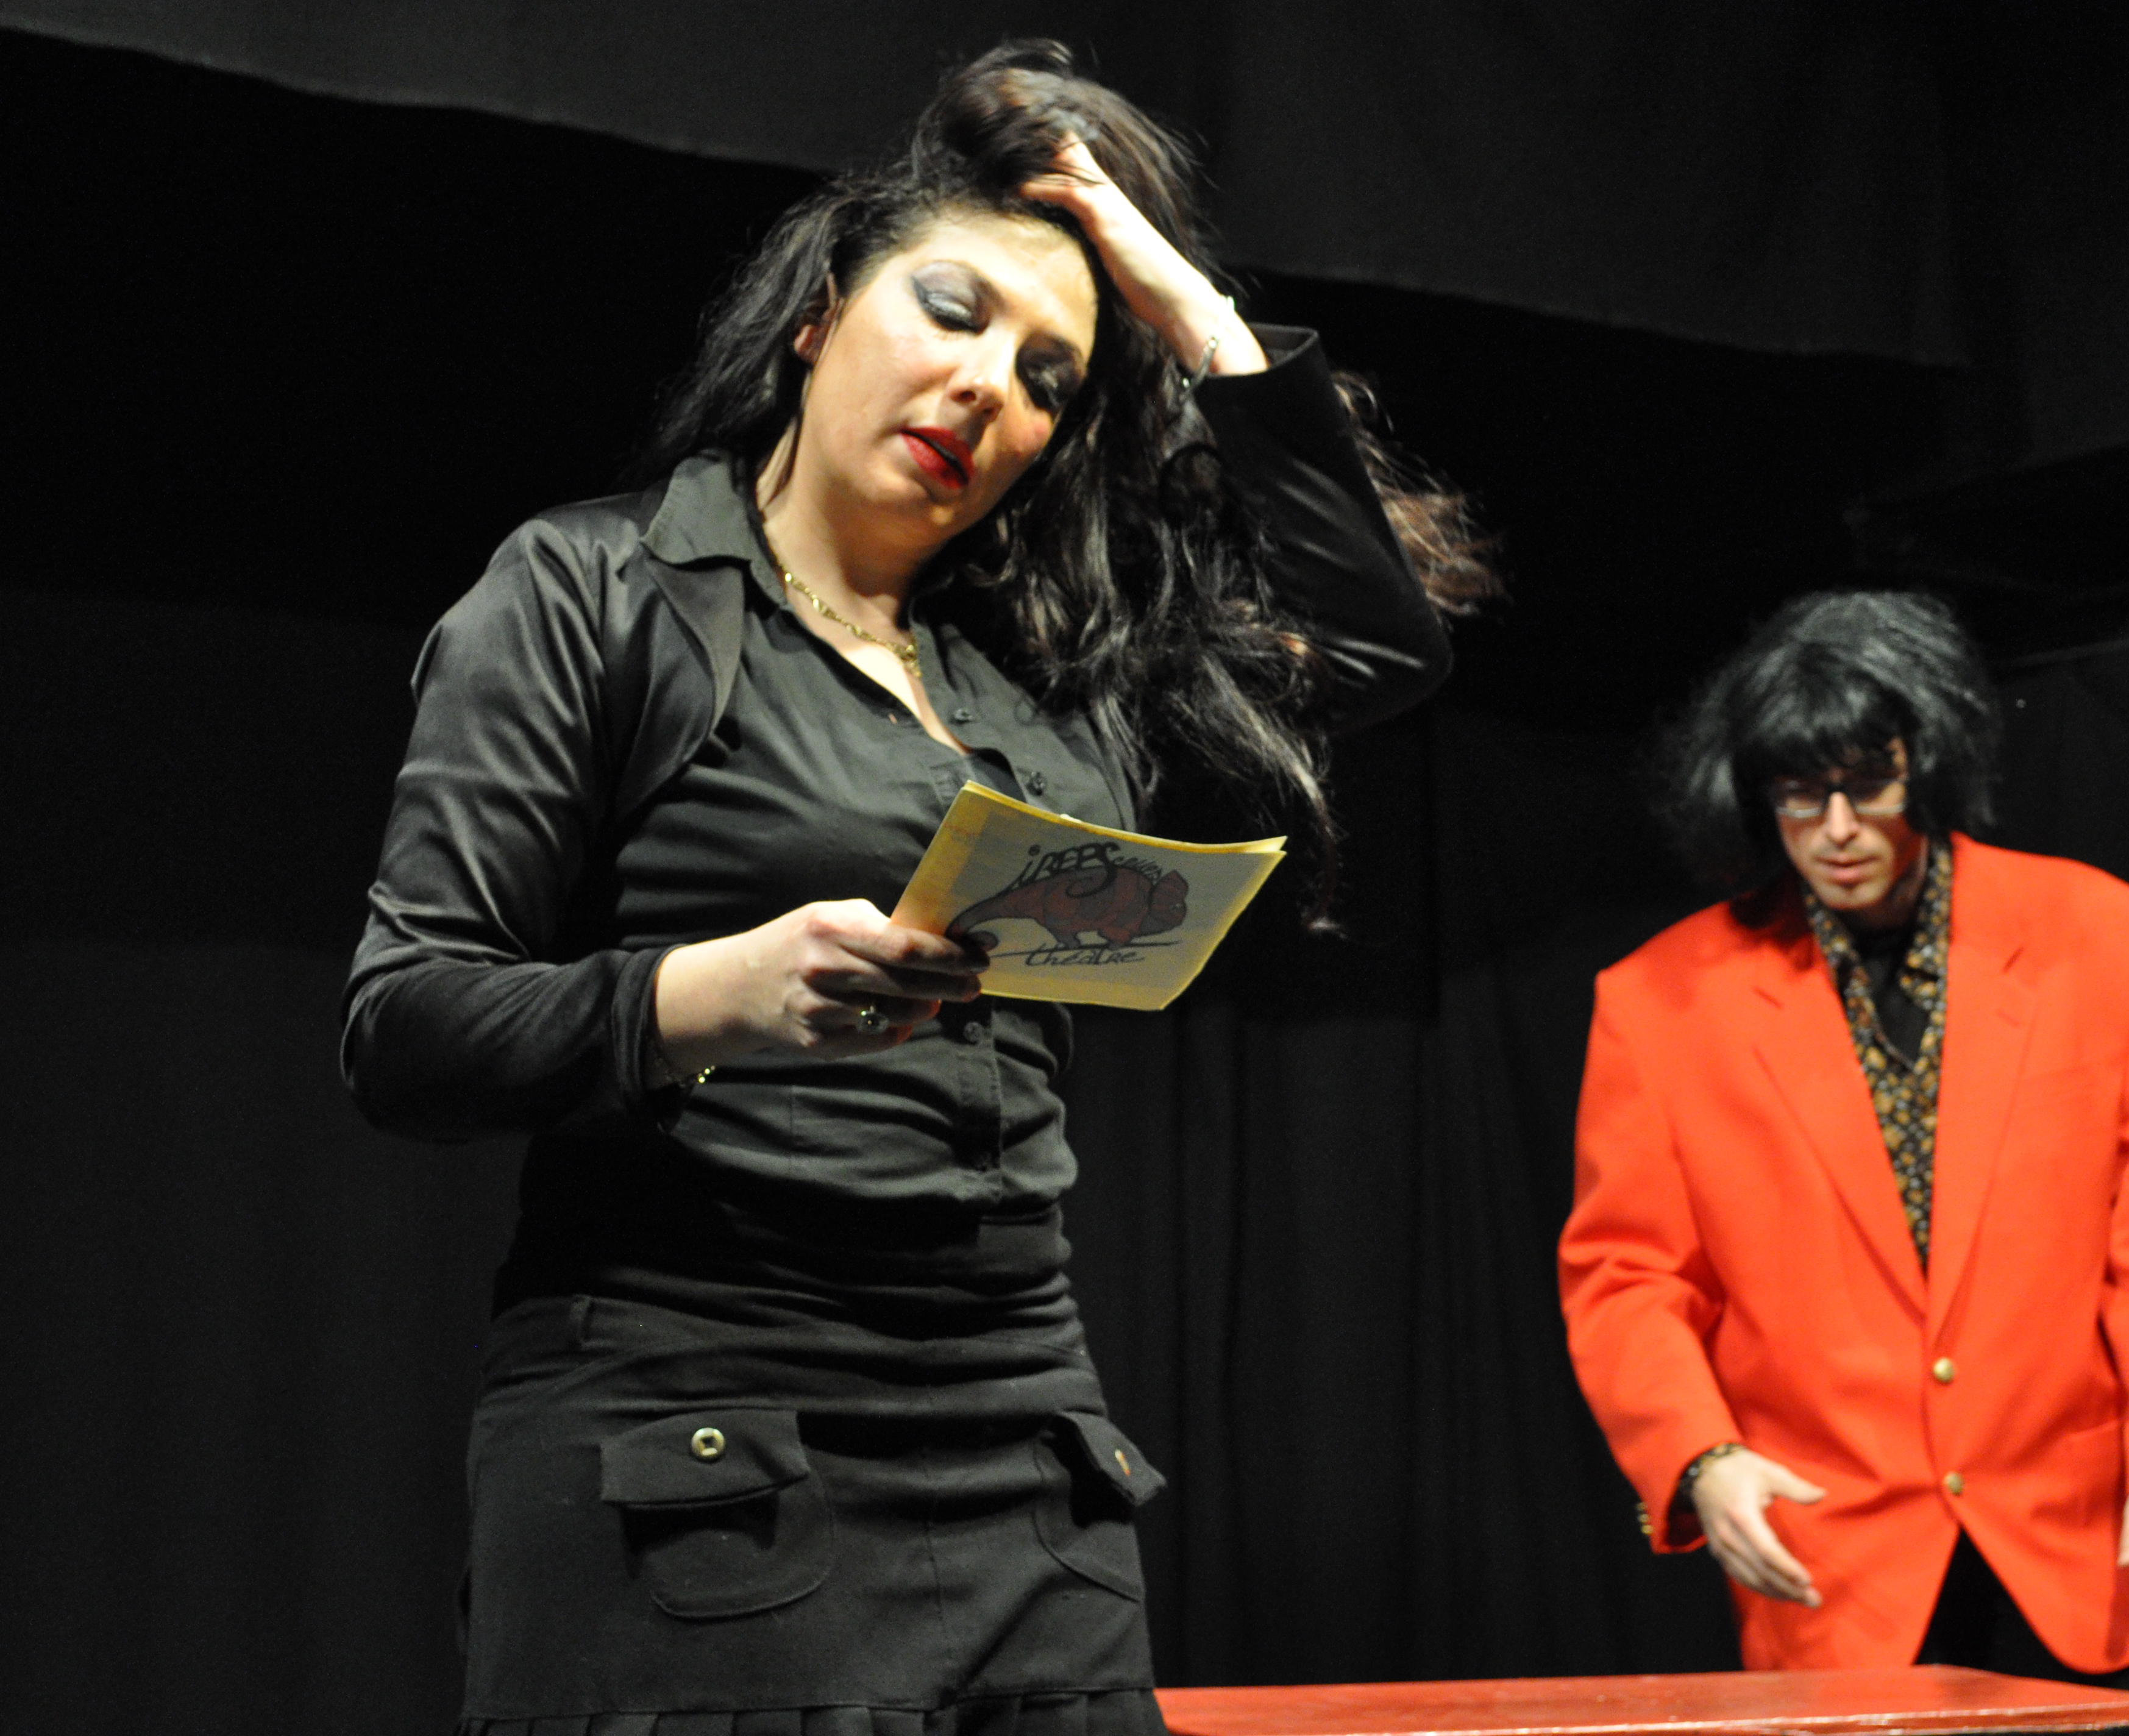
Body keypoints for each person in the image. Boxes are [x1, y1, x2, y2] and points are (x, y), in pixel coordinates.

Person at [344, 42, 1486, 1735]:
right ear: (817, 317)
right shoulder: (599, 588)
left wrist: (1189, 316)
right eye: (951, 312)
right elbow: (405, 1026)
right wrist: (707, 996)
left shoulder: (1047, 669)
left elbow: (1380, 642)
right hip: (697, 1424)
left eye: (1046, 377)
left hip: (1023, 1429)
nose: (985, 388)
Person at [1557, 592, 2129, 1699]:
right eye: (1800, 792)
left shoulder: (2111, 941)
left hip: (2076, 1547)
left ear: (1929, 763)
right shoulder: (1658, 1003)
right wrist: (1701, 1458)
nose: (1836, 829)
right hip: (1830, 1564)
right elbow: (1627, 1276)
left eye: (1867, 785)